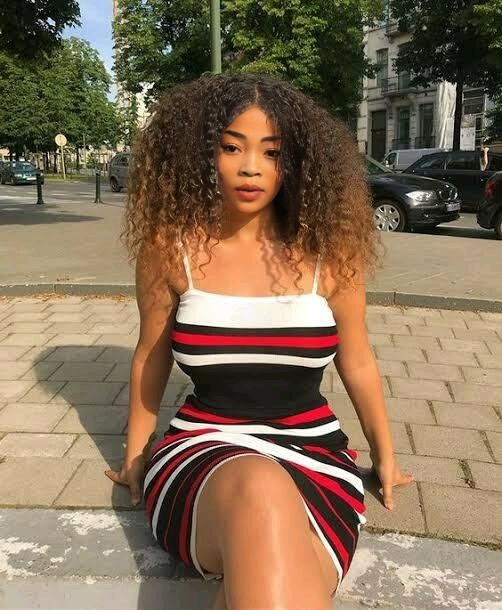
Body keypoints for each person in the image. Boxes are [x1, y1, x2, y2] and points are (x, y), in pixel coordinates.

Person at [106, 73, 414, 610]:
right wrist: (136, 453)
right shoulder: (170, 248)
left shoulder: (330, 251)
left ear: (296, 163)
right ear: (202, 154)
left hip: (315, 457)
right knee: (261, 490)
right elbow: (150, 356)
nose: (251, 167)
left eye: (271, 152)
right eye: (232, 147)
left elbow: (358, 360)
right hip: (203, 451)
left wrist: (384, 456)